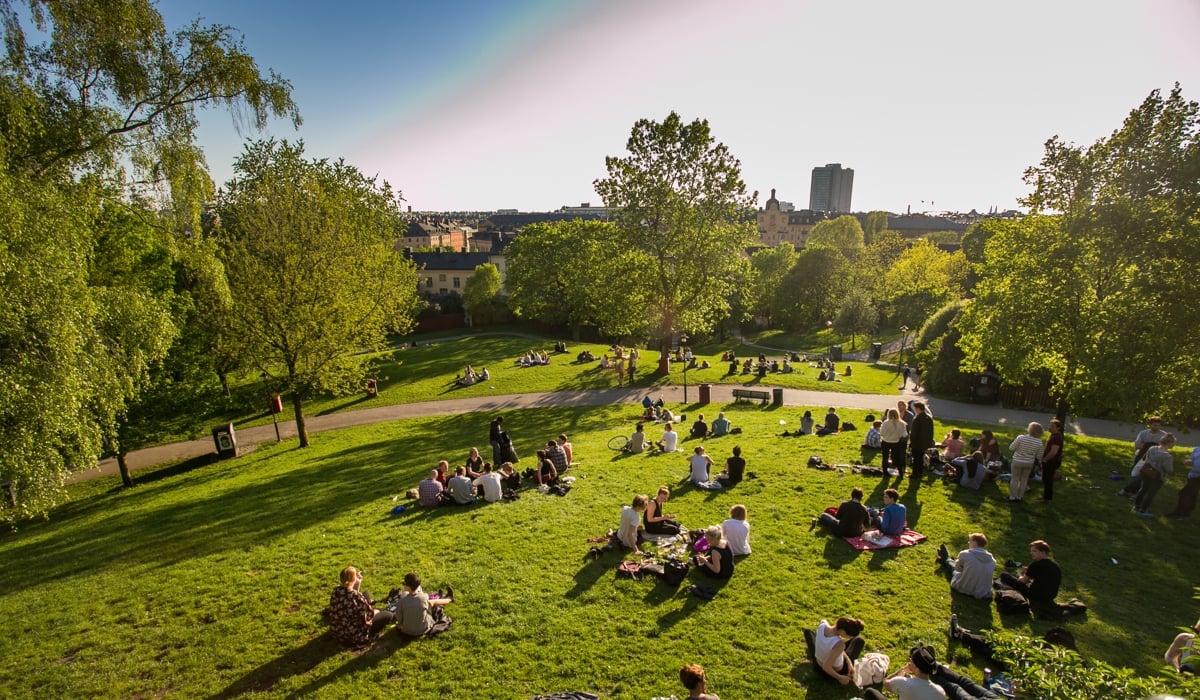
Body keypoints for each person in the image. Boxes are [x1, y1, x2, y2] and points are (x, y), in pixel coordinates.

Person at [328, 566, 394, 647]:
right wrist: (377, 611)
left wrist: (358, 583)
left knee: (366, 594)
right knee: (388, 615)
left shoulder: (336, 591)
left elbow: (353, 599)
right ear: (353, 579)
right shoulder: (356, 596)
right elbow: (370, 614)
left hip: (338, 628)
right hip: (353, 633)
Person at [862, 644, 946, 700]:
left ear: (916, 666)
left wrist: (902, 671)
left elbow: (885, 682)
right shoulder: (941, 692)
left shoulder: (903, 682)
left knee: (870, 692)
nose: (909, 662)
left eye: (911, 661)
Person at [997, 539, 1062, 610]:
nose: (1031, 553)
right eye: (1031, 551)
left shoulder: (1035, 565)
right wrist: (1029, 572)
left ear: (1043, 552)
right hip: (1050, 596)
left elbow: (1022, 581)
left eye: (1034, 551)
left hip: (1035, 596)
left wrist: (1022, 575)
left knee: (1004, 575)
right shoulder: (1055, 566)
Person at [804, 617, 866, 686]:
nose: (849, 638)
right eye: (849, 636)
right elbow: (826, 666)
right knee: (859, 640)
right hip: (833, 671)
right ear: (843, 631)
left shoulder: (822, 625)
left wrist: (849, 662)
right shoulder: (839, 645)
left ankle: (821, 645)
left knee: (808, 632)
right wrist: (840, 678)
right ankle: (836, 675)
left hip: (817, 663)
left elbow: (824, 620)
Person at [937, 533, 996, 600]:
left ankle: (946, 558)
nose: (968, 543)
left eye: (970, 541)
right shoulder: (992, 560)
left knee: (953, 569)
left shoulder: (965, 554)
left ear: (975, 542)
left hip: (965, 588)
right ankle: (947, 559)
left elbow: (957, 569)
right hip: (983, 593)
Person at [394, 572, 453, 638]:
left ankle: (449, 598)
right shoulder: (424, 597)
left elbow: (399, 620)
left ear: (407, 586)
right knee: (432, 603)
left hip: (407, 632)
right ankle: (449, 599)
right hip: (424, 629)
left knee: (429, 603)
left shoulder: (402, 602)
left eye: (404, 583)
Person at [1134, 432, 1176, 517]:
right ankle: (1143, 510)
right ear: (1170, 443)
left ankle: (1136, 507)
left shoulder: (1152, 448)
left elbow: (1145, 458)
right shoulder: (1167, 456)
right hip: (1157, 476)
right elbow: (1169, 469)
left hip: (1146, 472)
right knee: (1151, 493)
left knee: (1143, 489)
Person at [1008, 422, 1044, 502]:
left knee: (1015, 479)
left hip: (1018, 460)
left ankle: (1012, 497)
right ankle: (1019, 497)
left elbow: (1011, 448)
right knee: (1024, 479)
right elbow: (1039, 456)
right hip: (1029, 462)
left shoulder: (1021, 438)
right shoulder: (1039, 442)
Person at [1166, 444, 1200, 518]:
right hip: (1192, 475)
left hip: (1197, 477)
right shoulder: (1197, 449)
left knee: (1184, 493)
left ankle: (1179, 513)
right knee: (1191, 494)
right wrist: (1188, 462)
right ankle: (1185, 513)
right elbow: (1191, 460)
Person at [1037, 419, 1064, 503]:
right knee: (1046, 479)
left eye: (1052, 426)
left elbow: (1054, 451)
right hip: (1050, 461)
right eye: (1049, 425)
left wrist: (1045, 459)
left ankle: (1047, 499)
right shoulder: (1053, 435)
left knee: (1047, 479)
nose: (1049, 427)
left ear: (1058, 428)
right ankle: (1046, 497)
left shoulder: (1056, 437)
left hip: (1051, 461)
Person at [908, 401, 934, 478]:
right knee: (921, 458)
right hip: (925, 442)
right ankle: (920, 472)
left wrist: (911, 442)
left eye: (916, 408)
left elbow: (914, 432)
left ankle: (915, 473)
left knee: (916, 458)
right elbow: (931, 432)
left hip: (917, 443)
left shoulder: (918, 418)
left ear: (918, 409)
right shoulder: (928, 418)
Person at [880, 408, 909, 476]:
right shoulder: (902, 423)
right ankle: (900, 471)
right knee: (896, 457)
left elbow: (881, 433)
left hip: (886, 442)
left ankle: (885, 472)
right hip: (896, 442)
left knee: (885, 457)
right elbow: (905, 434)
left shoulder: (886, 423)